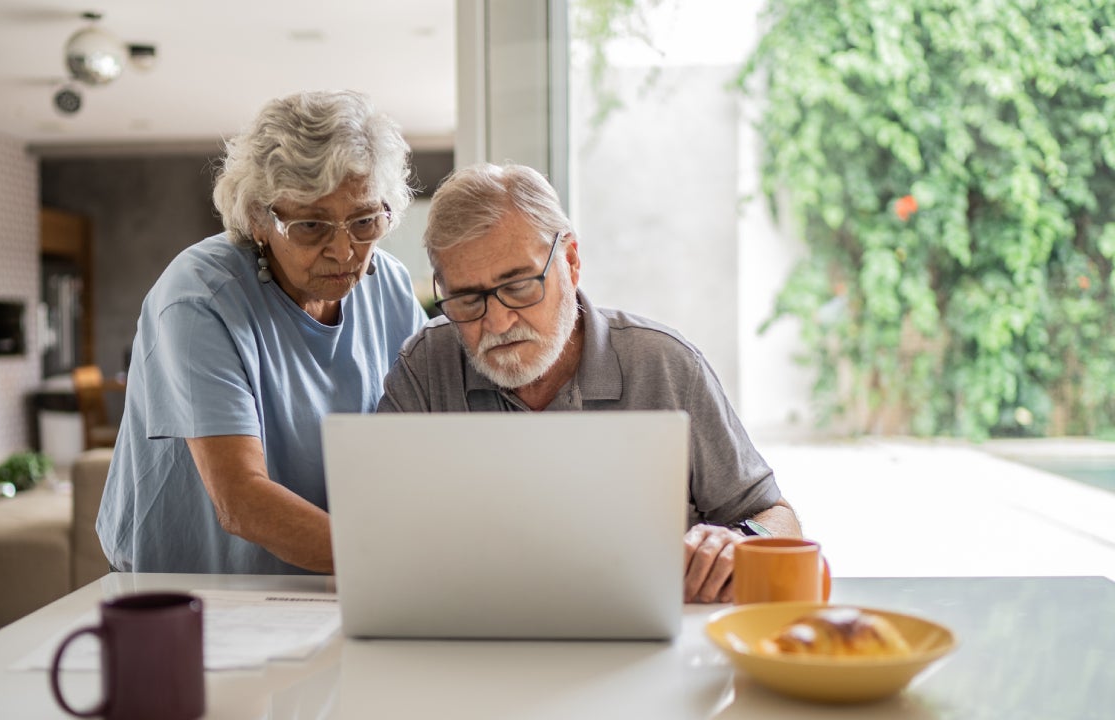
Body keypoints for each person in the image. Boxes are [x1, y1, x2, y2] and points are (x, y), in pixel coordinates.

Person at [378, 162, 801, 603]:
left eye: (519, 286)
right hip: (470, 626)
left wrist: (741, 543)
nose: (498, 322)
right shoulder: (425, 366)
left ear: (571, 262)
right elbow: (376, 531)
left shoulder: (666, 365)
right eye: (467, 299)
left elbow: (776, 518)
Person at [97, 90, 428, 574]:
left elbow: (425, 443)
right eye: (311, 225)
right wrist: (395, 566)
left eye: (364, 221)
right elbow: (242, 500)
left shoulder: (390, 286)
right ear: (258, 218)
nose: (344, 251)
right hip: (188, 583)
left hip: (329, 573)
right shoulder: (199, 298)